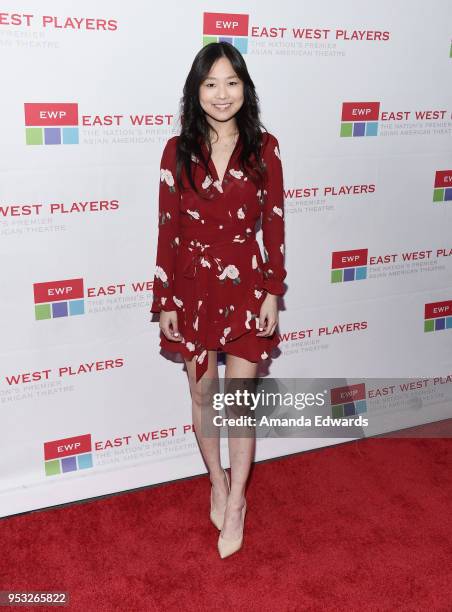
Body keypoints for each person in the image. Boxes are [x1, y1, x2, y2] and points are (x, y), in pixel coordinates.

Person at [150, 41, 287, 558]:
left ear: (244, 88)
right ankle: (218, 482)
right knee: (206, 399)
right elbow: (167, 230)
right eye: (211, 83)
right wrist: (165, 299)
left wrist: (274, 290)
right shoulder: (176, 151)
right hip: (191, 291)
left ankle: (237, 507)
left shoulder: (264, 148)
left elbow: (273, 225)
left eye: (231, 82)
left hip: (248, 289)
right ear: (196, 91)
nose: (221, 93)